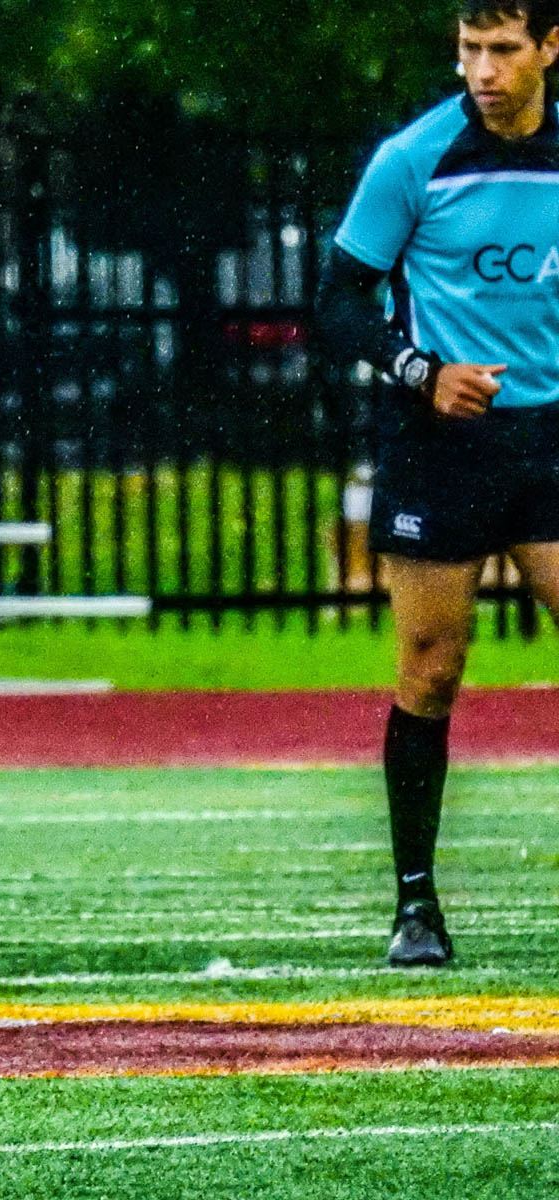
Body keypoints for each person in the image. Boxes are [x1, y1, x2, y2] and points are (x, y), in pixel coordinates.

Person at [316, 1, 559, 966]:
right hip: (439, 443)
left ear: (551, 46)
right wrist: (424, 371)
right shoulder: (415, 157)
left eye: (504, 50)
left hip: (550, 440)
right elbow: (337, 301)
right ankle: (416, 904)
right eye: (469, 50)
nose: (484, 70)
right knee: (432, 667)